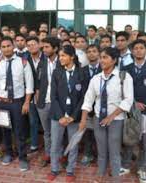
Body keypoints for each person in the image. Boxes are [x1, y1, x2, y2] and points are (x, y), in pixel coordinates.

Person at [80, 47, 133, 182]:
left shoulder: (124, 77)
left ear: (114, 60)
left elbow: (128, 100)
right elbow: (88, 100)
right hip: (99, 120)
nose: (102, 60)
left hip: (116, 120)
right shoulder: (96, 79)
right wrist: (83, 120)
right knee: (101, 151)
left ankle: (116, 179)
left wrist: (111, 116)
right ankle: (100, 176)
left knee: (114, 152)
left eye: (105, 57)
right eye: (101, 57)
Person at [0, 36, 34, 171]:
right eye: (3, 47)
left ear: (13, 46)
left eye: (8, 46)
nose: (6, 49)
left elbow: (30, 85)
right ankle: (8, 153)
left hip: (18, 102)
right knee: (6, 131)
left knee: (19, 131)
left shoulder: (23, 62)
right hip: (2, 102)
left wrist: (27, 102)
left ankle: (22, 157)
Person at [121, 39, 146, 183]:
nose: (138, 50)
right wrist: (134, 104)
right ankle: (125, 165)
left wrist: (143, 104)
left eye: (141, 48)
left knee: (145, 142)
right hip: (131, 110)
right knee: (130, 138)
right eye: (135, 48)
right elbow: (122, 91)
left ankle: (142, 169)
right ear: (132, 51)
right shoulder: (126, 69)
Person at [47, 45, 86, 182]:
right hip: (58, 116)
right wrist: (61, 116)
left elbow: (83, 98)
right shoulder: (57, 73)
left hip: (74, 116)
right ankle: (54, 168)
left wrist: (73, 116)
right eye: (60, 56)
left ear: (72, 57)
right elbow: (54, 97)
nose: (60, 58)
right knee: (55, 144)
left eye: (63, 56)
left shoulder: (82, 73)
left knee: (73, 144)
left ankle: (70, 170)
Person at [36, 37, 61, 167]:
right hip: (43, 103)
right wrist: (37, 97)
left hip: (58, 104)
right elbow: (38, 81)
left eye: (47, 47)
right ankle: (48, 154)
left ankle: (58, 155)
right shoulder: (42, 62)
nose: (44, 49)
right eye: (43, 47)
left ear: (55, 48)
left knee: (58, 132)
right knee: (47, 132)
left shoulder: (62, 61)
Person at [80, 45, 102, 166]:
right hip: (87, 107)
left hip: (100, 108)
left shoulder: (104, 69)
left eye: (94, 51)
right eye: (89, 52)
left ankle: (100, 155)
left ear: (99, 53)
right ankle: (88, 154)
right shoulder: (82, 70)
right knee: (88, 132)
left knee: (100, 134)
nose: (91, 54)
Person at [25, 36, 45, 153]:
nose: (31, 47)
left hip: (45, 95)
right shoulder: (25, 60)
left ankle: (49, 145)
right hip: (31, 96)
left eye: (34, 44)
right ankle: (34, 144)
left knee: (46, 122)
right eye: (29, 45)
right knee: (33, 121)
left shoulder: (46, 59)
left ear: (39, 45)